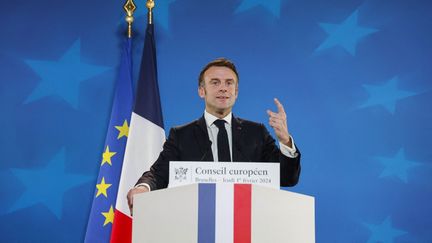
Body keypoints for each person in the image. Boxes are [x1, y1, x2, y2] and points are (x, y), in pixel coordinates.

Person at [127, 58, 301, 213]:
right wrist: (143, 188)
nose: (223, 88)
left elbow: (287, 178)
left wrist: (285, 141)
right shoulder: (181, 135)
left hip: (247, 224)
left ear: (236, 92)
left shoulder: (256, 133)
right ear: (201, 91)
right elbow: (159, 174)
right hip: (198, 222)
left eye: (229, 83)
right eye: (215, 83)